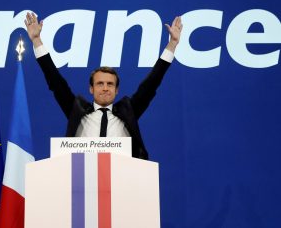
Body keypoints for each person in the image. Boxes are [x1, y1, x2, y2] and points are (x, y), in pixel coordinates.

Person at [25, 12, 182, 160]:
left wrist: (172, 44)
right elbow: (55, 81)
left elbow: (151, 83)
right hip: (82, 182)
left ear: (116, 90)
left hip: (123, 181)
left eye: (110, 84)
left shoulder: (129, 111)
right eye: (100, 84)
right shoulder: (76, 110)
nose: (105, 88)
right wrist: (36, 41)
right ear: (91, 89)